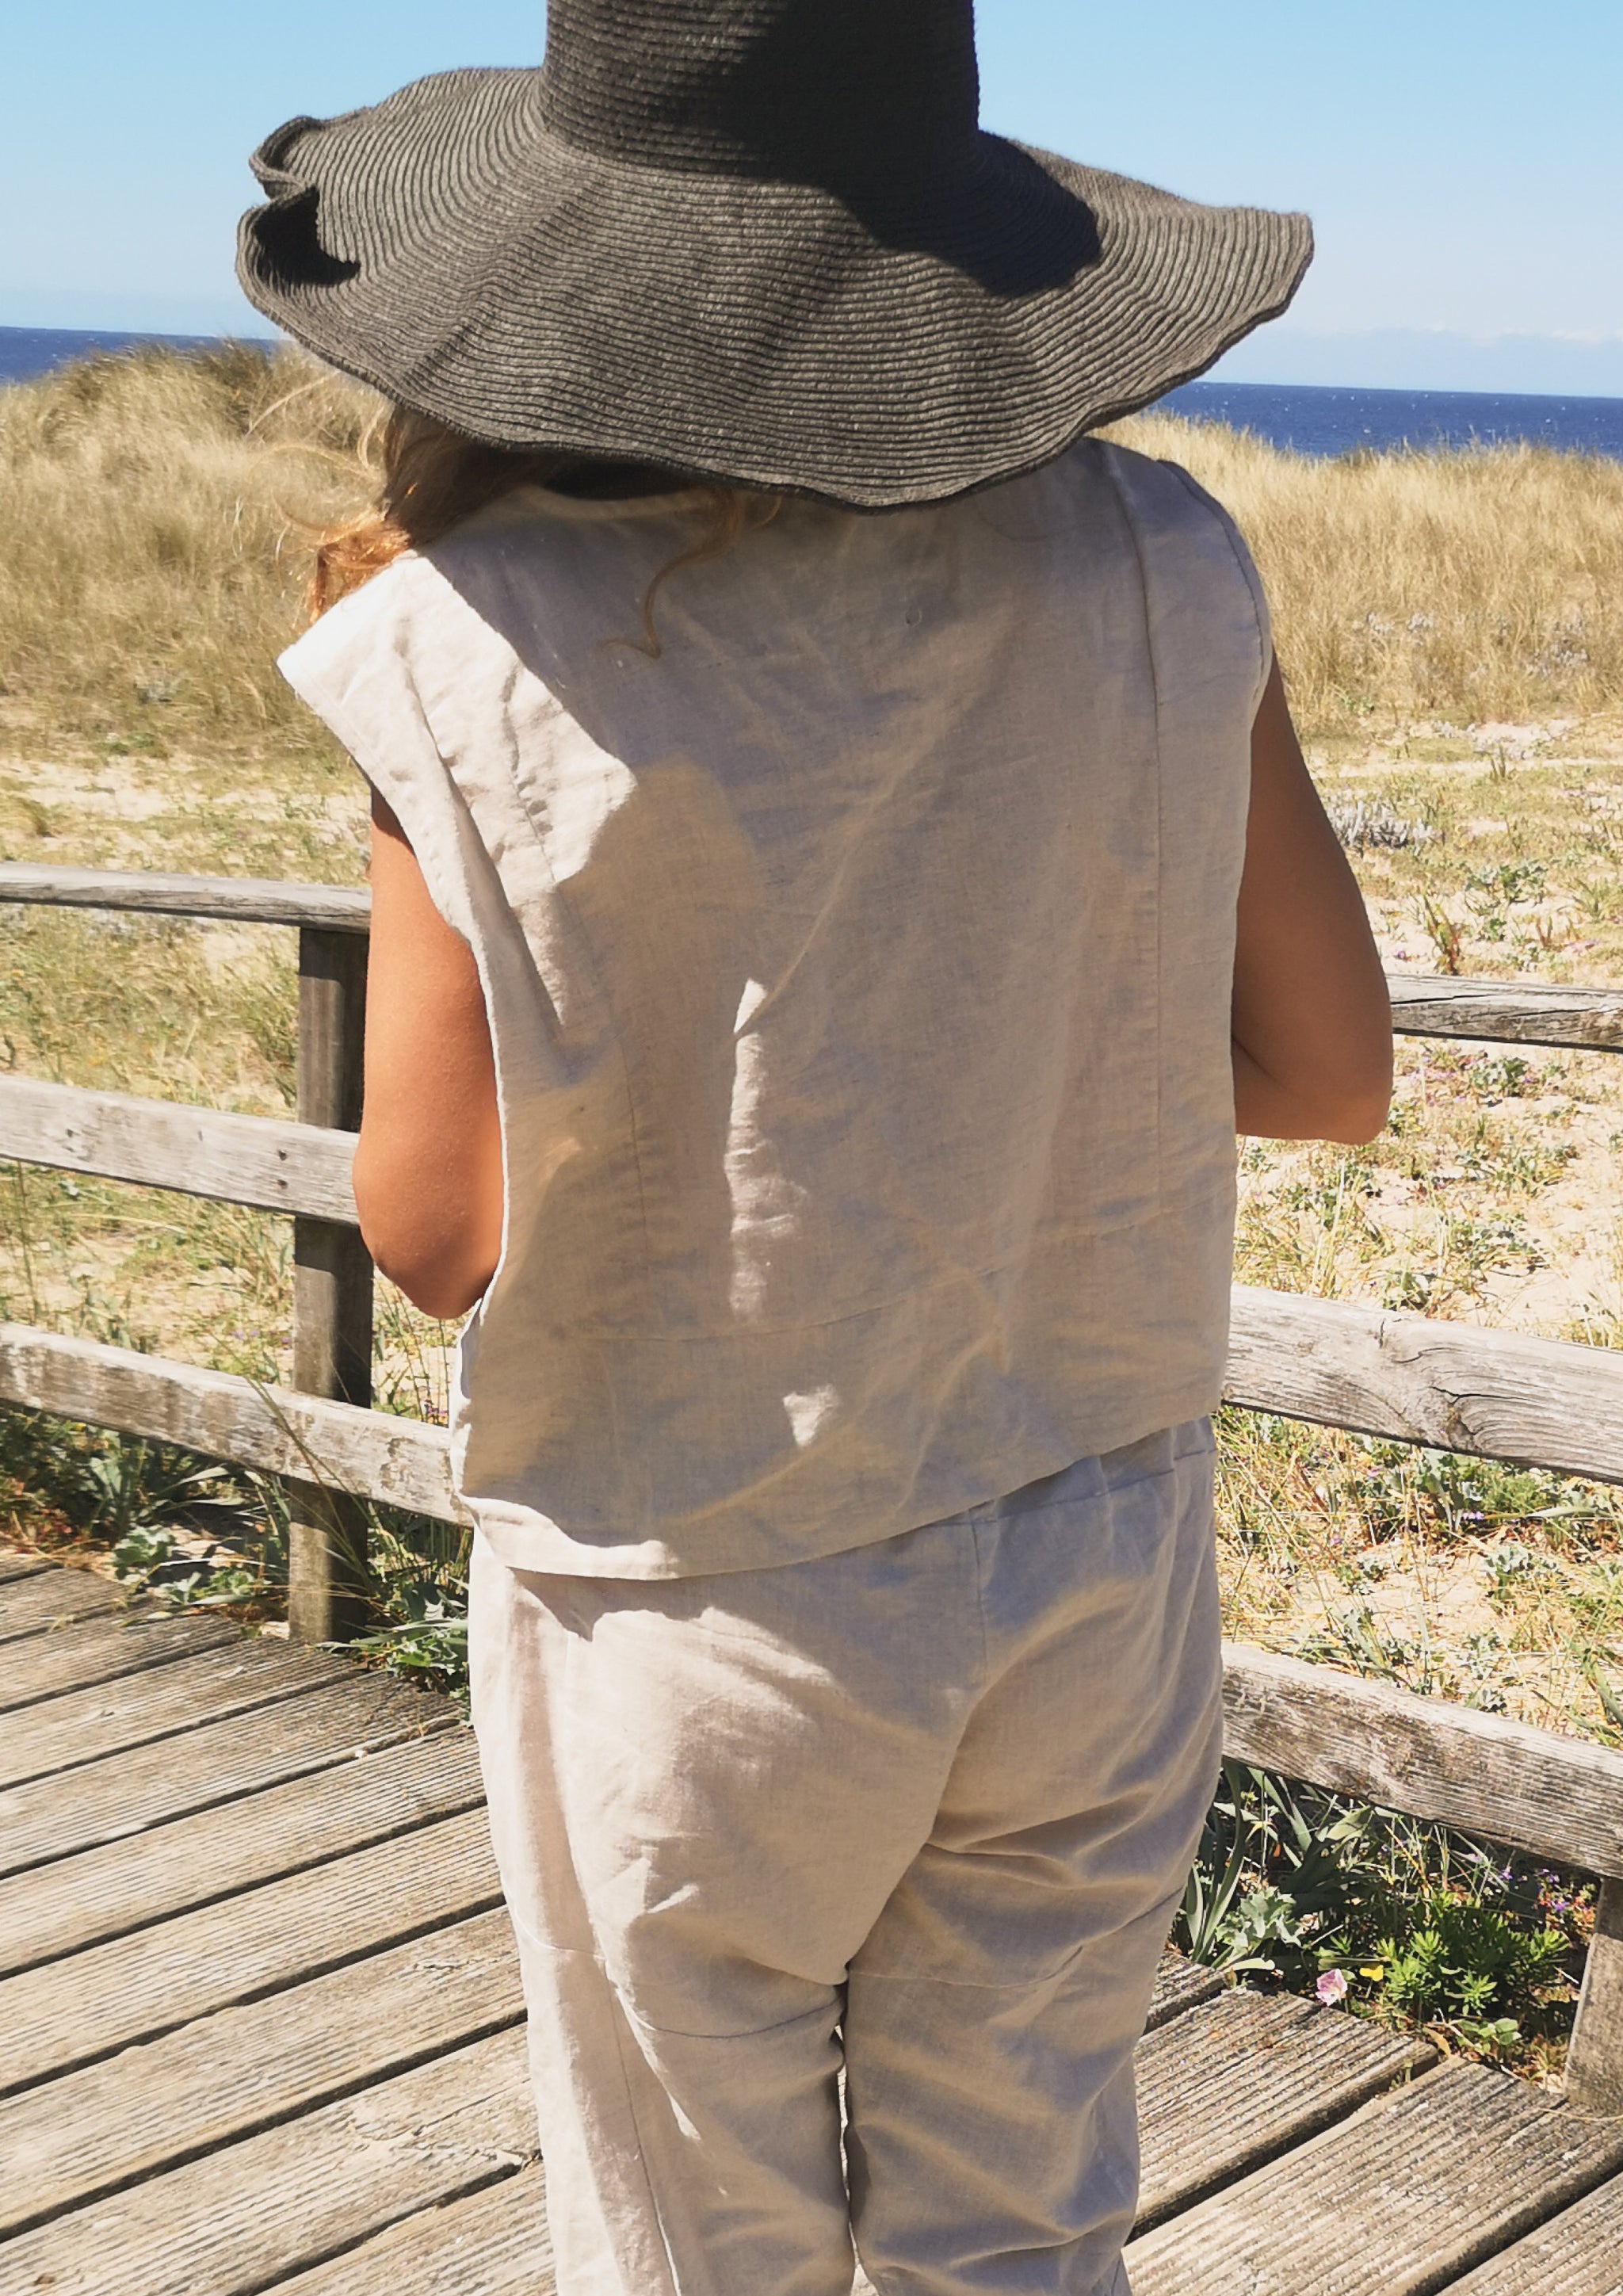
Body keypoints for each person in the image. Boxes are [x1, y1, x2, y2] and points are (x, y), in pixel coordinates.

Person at [242, 3, 1392, 2290]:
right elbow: (1327, 1067)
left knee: (697, 2245)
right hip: (1088, 1535)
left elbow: (441, 1230)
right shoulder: (1162, 565)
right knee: (1022, 2228)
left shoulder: (456, 647)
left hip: (692, 1574)